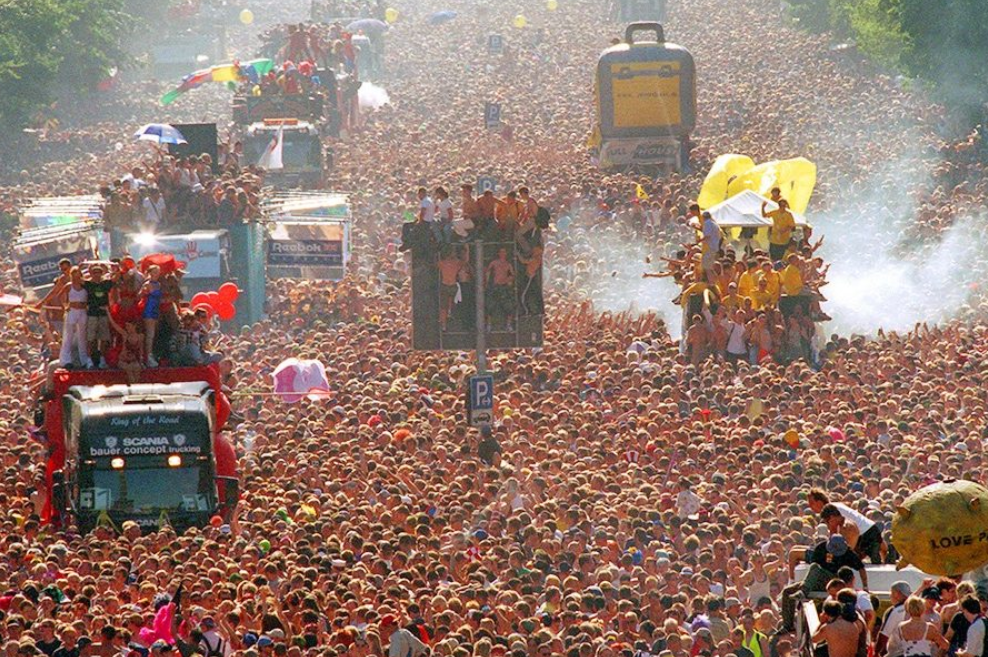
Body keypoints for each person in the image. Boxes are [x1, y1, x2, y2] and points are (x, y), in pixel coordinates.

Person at [781, 536, 866, 633]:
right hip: (814, 580)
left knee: (814, 568)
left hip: (833, 581)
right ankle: (788, 625)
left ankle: (803, 591)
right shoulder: (820, 548)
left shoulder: (849, 554)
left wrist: (865, 586)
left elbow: (861, 568)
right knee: (787, 591)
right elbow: (813, 569)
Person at [809, 489, 887, 563]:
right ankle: (880, 552)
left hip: (859, 535)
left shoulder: (830, 511)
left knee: (847, 559)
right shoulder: (838, 504)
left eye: (811, 503)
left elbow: (833, 535)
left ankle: (873, 551)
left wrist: (829, 557)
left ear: (819, 502)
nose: (810, 506)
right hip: (872, 527)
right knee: (875, 550)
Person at [59, 267, 94, 369]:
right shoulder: (69, 286)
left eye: (78, 276)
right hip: (72, 310)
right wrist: (65, 306)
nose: (76, 278)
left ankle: (84, 360)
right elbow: (60, 296)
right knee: (68, 335)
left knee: (82, 336)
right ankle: (65, 360)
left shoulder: (85, 286)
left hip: (82, 311)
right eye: (74, 276)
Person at [83, 264, 114, 368]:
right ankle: (89, 360)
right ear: (91, 273)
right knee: (91, 338)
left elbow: (116, 277)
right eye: (94, 272)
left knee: (104, 338)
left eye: (99, 272)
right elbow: (77, 279)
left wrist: (114, 267)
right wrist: (82, 267)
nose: (97, 275)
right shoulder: (88, 284)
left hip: (103, 314)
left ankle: (102, 359)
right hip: (92, 314)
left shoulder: (105, 284)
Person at [878, 582, 914, 657]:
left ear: (897, 593)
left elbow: (884, 635)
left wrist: (877, 652)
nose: (890, 595)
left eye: (891, 592)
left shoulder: (895, 611)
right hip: (914, 651)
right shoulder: (916, 609)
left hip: (897, 653)